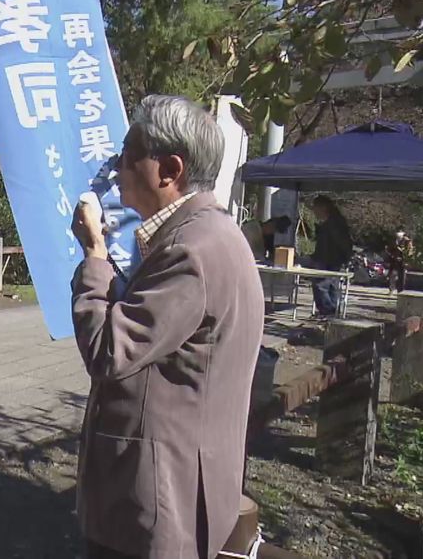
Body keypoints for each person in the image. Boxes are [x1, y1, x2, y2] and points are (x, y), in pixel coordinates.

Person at [70, 95, 263, 559]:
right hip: (171, 489)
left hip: (154, 503)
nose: (116, 167)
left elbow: (108, 351)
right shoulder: (207, 235)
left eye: (128, 152)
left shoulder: (190, 251)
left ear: (170, 169)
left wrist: (94, 256)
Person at [306, 195, 352, 317]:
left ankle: (327, 312)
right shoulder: (334, 222)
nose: (314, 211)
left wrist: (345, 257)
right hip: (330, 260)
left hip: (328, 260)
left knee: (321, 285)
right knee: (331, 287)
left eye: (315, 208)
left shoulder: (333, 224)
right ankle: (331, 313)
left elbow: (340, 242)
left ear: (323, 208)